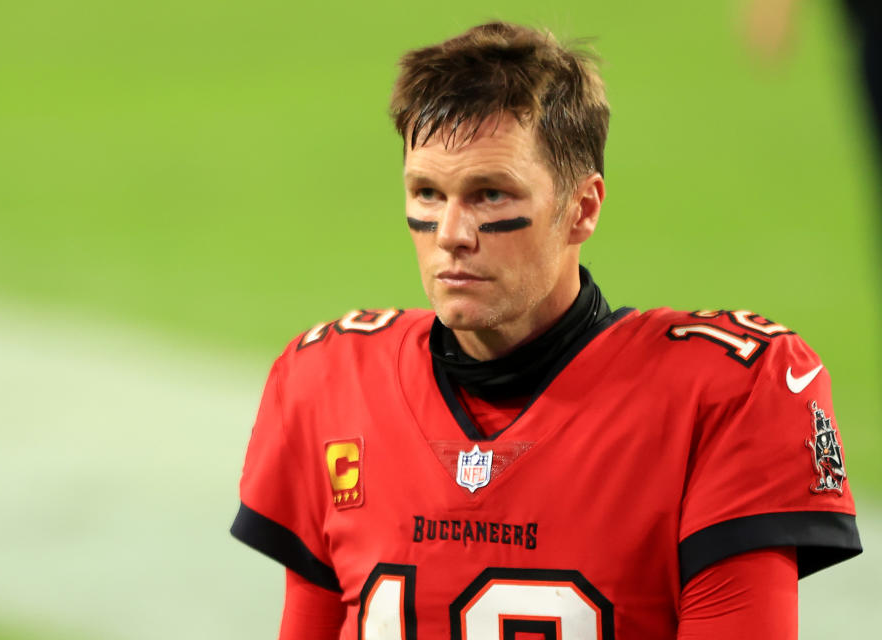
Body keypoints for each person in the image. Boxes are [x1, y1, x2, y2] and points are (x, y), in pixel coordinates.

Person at [231, 22, 861, 639]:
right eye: (426, 192)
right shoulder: (330, 384)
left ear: (582, 209)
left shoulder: (726, 394)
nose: (450, 233)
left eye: (490, 195)